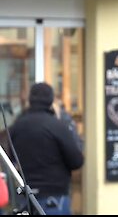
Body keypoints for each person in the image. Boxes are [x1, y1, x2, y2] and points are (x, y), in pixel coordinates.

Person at [9, 82, 84, 215]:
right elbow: (76, 161)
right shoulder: (57, 126)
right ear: (51, 100)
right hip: (54, 198)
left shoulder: (17, 126)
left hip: (26, 196)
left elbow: (11, 159)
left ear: (30, 99)